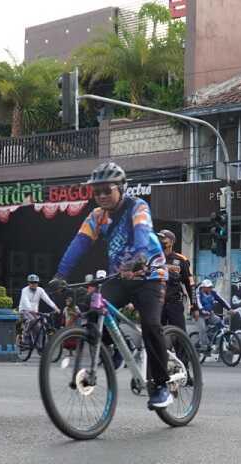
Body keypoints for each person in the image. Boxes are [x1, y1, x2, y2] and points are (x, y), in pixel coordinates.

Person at [51, 162, 174, 409]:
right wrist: (60, 274)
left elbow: (142, 232)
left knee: (151, 325)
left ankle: (162, 385)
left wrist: (140, 257)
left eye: (107, 189)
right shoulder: (97, 216)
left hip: (150, 275)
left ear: (122, 188)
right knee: (94, 310)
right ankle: (117, 350)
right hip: (120, 275)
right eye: (96, 191)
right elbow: (79, 244)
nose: (102, 195)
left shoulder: (137, 207)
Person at [158, 229, 197, 331]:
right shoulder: (153, 258)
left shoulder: (181, 260)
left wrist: (194, 306)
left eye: (163, 238)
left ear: (171, 242)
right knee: (154, 335)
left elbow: (190, 284)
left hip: (174, 304)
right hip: (157, 304)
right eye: (159, 238)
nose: (160, 241)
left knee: (180, 335)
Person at [194, 279, 232, 348]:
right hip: (199, 315)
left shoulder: (213, 292)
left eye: (210, 287)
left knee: (219, 322)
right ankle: (204, 346)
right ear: (203, 287)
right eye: (208, 287)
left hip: (210, 313)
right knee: (202, 329)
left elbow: (221, 300)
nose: (210, 288)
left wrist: (229, 309)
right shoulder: (198, 294)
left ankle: (226, 342)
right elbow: (198, 304)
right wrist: (202, 311)